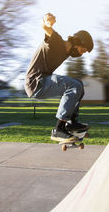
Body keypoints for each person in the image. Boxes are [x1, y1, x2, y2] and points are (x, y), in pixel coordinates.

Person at [25, 13, 94, 142]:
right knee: (73, 85)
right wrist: (47, 22)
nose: (80, 54)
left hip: (43, 82)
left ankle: (71, 122)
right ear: (77, 42)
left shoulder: (65, 53)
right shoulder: (56, 41)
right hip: (35, 83)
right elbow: (46, 28)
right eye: (82, 50)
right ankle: (59, 128)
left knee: (78, 84)